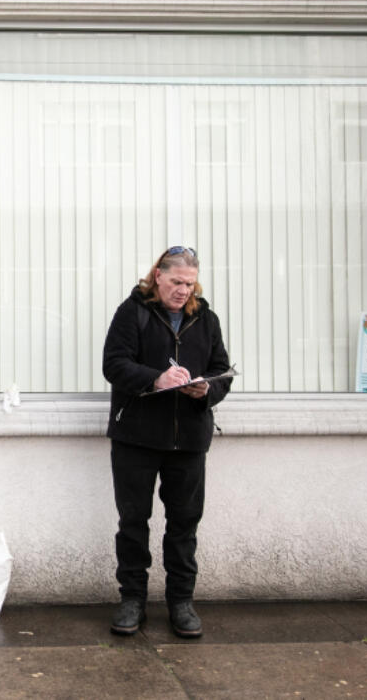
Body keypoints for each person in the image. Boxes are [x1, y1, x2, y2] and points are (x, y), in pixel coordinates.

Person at [101, 246, 232, 638]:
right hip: (137, 438)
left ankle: (181, 603)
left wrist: (206, 390)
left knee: (184, 526)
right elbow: (113, 364)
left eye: (189, 284)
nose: (182, 290)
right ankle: (132, 601)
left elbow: (222, 370)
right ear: (157, 275)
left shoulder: (205, 318)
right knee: (133, 523)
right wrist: (156, 379)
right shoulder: (132, 312)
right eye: (176, 282)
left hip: (189, 440)